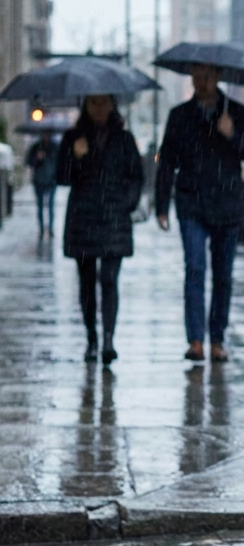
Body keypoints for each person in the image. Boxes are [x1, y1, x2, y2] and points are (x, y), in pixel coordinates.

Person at [155, 64, 244, 363]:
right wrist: (162, 205)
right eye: (196, 76)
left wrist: (232, 134)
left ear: (217, 78)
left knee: (223, 275)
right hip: (191, 202)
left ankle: (217, 338)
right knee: (195, 268)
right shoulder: (180, 115)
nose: (200, 82)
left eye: (206, 76)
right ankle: (195, 340)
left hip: (227, 205)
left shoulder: (237, 113)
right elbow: (166, 162)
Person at [57, 95, 143, 365]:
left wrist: (126, 203)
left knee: (109, 278)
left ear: (113, 104)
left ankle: (108, 339)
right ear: (85, 105)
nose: (99, 108)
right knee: (86, 283)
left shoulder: (124, 139)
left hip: (114, 219)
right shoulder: (73, 137)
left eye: (104, 102)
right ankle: (91, 338)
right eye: (93, 103)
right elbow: (61, 176)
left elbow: (136, 177)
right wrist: (77, 157)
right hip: (83, 218)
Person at [25, 131, 59, 238]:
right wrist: (37, 158)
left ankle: (50, 228)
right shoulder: (36, 147)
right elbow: (29, 162)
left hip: (52, 180)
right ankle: (41, 229)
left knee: (50, 206)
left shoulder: (55, 147)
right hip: (39, 180)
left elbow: (60, 162)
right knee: (40, 206)